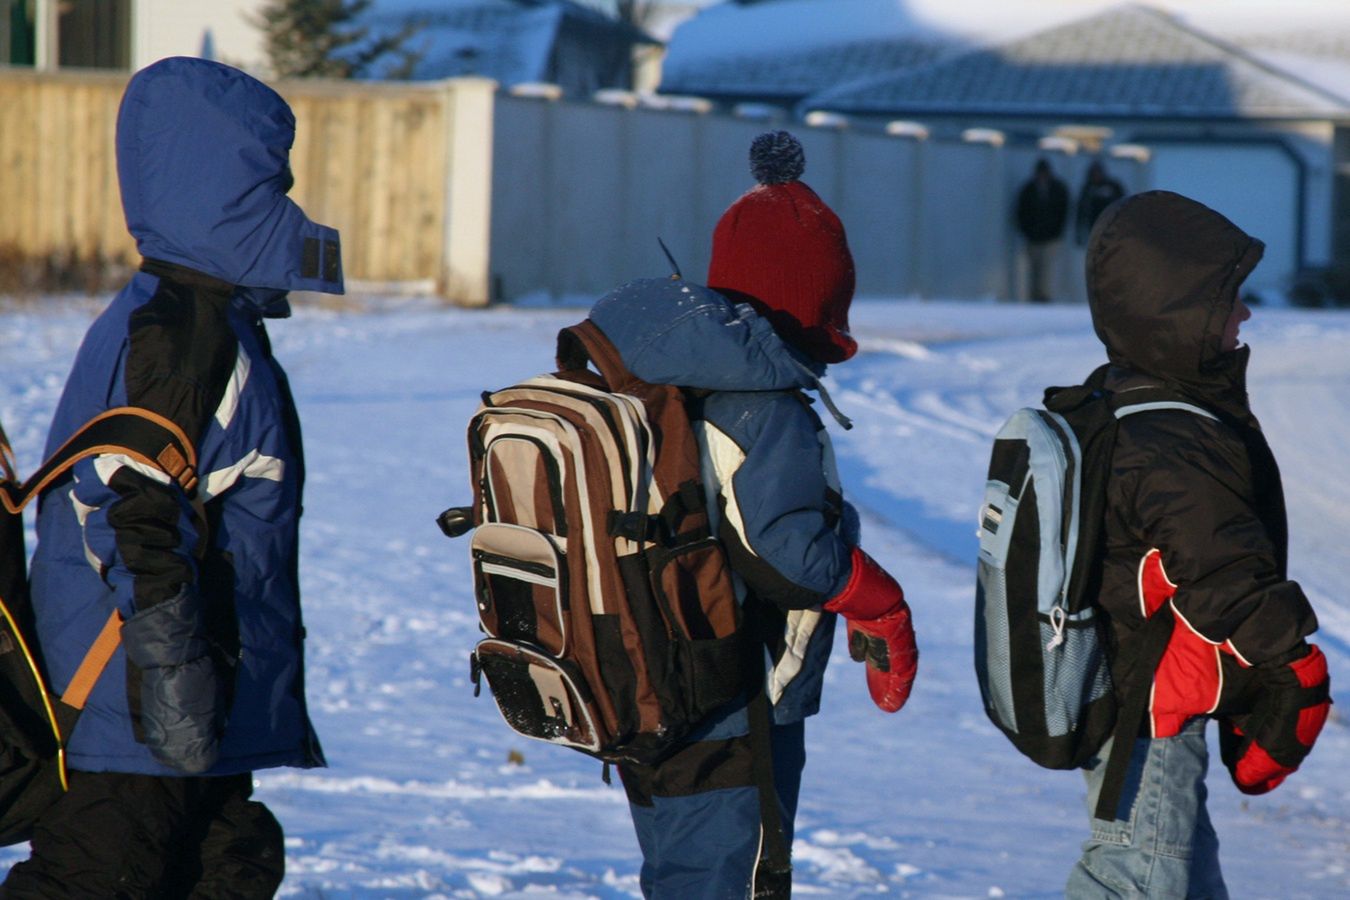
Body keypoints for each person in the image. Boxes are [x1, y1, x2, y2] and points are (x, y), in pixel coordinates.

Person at [3, 56, 343, 896]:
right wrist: (175, 690)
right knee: (103, 877)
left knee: (232, 864)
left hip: (189, 706)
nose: (286, 193)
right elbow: (130, 506)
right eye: (273, 174)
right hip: (139, 712)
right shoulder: (180, 334)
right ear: (222, 181)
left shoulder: (197, 313)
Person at [583, 130, 918, 898]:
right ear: (815, 305)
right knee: (731, 881)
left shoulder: (656, 372)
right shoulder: (760, 404)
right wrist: (884, 606)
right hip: (732, 689)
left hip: (641, 669)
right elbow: (789, 554)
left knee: (679, 872)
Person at [1068, 190, 1331, 897]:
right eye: (1228, 299)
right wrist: (1296, 666)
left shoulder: (1129, 400)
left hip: (1141, 702)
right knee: (1137, 880)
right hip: (1148, 715)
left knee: (1179, 877)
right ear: (1176, 310)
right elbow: (1225, 575)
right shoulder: (1172, 439)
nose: (1244, 314)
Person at [1014, 157, 1070, 302]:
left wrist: (1057, 232)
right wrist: (1026, 231)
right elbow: (1020, 212)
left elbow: (1063, 212)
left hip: (1050, 237)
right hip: (1033, 237)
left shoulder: (1058, 189)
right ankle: (1033, 295)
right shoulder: (1029, 189)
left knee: (1047, 270)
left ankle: (1044, 296)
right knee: (1033, 269)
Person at [1073, 159, 1125, 246]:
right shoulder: (1088, 189)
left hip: (1111, 228)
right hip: (1094, 228)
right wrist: (1078, 231)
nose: (1095, 176)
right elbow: (1081, 210)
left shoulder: (1113, 186)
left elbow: (1123, 205)